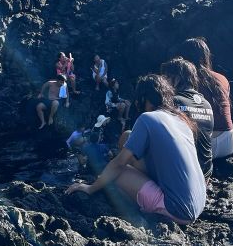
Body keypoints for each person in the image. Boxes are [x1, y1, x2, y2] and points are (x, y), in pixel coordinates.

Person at [66, 75, 206, 225]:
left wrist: (90, 188)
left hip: (177, 211)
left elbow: (119, 164)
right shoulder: (181, 121)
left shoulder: (147, 118)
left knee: (116, 173)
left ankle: (136, 215)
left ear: (143, 98)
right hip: (199, 204)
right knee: (127, 136)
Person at [177, 37, 233, 159]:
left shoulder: (184, 80)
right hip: (228, 142)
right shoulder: (222, 79)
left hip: (202, 146)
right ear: (206, 56)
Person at [161, 58, 213, 179]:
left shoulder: (173, 102)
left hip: (185, 174)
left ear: (177, 79)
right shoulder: (206, 104)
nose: (163, 83)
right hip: (206, 173)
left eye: (166, 78)